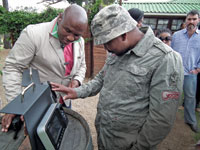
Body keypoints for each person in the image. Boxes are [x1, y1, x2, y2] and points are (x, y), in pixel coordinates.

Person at [51, 4, 184, 150]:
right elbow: (101, 79)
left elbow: (161, 120)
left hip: (130, 144)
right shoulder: (118, 52)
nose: (106, 48)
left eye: (107, 43)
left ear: (124, 34)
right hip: (106, 134)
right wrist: (77, 92)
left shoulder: (165, 59)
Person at [1, 4, 88, 132]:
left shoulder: (80, 42)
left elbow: (82, 65)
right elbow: (12, 67)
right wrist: (17, 106)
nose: (71, 38)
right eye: (67, 30)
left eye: (76, 35)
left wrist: (77, 80)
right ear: (60, 18)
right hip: (37, 105)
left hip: (64, 103)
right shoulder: (33, 34)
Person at [171, 9, 200, 133]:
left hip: (190, 74)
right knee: (170, 97)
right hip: (175, 73)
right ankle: (166, 120)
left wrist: (198, 69)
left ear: (198, 20)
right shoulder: (176, 36)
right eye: (189, 19)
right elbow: (170, 52)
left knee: (190, 97)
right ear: (185, 20)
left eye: (194, 19)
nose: (191, 21)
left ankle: (191, 121)